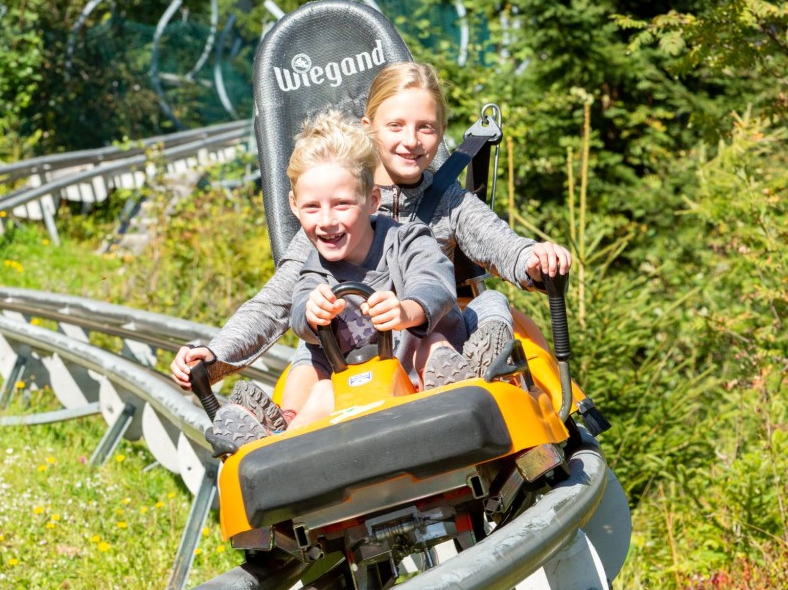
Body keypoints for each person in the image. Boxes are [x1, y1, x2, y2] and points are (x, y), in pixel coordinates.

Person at [172, 62, 571, 430]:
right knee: (308, 353)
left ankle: (480, 383)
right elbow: (276, 301)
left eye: (426, 128)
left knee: (492, 306)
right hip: (350, 351)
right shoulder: (334, 213)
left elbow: (499, 242)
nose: (410, 141)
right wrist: (215, 355)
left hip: (427, 330)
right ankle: (284, 429)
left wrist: (532, 258)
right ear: (370, 128)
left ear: (441, 131)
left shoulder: (449, 200)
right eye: (395, 126)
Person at [206, 110, 467, 447]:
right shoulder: (313, 268)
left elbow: (434, 281)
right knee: (316, 375)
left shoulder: (408, 240)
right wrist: (312, 315)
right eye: (312, 207)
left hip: (411, 375)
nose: (326, 220)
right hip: (349, 389)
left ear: (372, 201)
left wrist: (408, 309)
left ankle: (454, 394)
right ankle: (278, 438)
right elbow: (295, 309)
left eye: (342, 204)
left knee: (432, 344)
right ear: (295, 207)